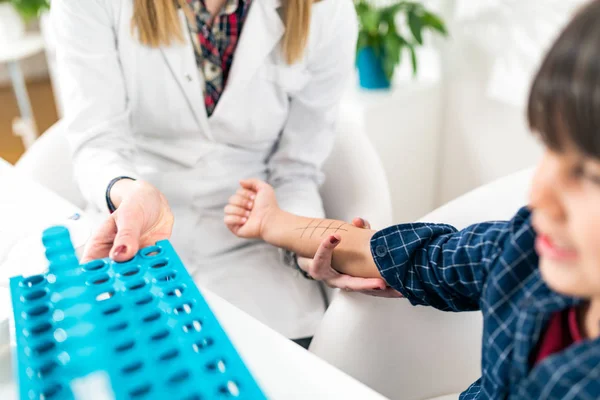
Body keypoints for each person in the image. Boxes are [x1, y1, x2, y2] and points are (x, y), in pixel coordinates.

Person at [225, 0, 600, 396]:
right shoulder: (524, 253)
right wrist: (273, 221)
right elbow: (414, 255)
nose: (539, 194)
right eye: (548, 148)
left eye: (588, 175)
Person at [50, 0, 369, 346]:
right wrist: (129, 194)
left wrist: (306, 245)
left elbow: (296, 170)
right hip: (137, 230)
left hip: (257, 247)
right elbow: (97, 143)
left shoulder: (327, 11)